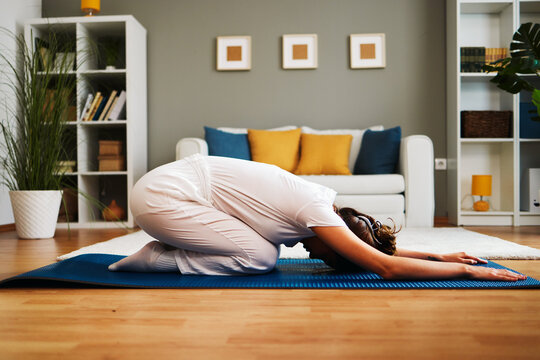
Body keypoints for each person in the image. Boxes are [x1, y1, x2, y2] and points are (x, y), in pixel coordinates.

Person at [109, 154, 526, 282]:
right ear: (340, 233)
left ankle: (165, 248)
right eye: (335, 254)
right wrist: (471, 275)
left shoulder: (319, 205)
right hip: (164, 197)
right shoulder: (315, 211)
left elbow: (376, 254)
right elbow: (381, 265)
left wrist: (442, 257)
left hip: (168, 191)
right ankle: (156, 257)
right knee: (260, 257)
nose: (322, 255)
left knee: (263, 250)